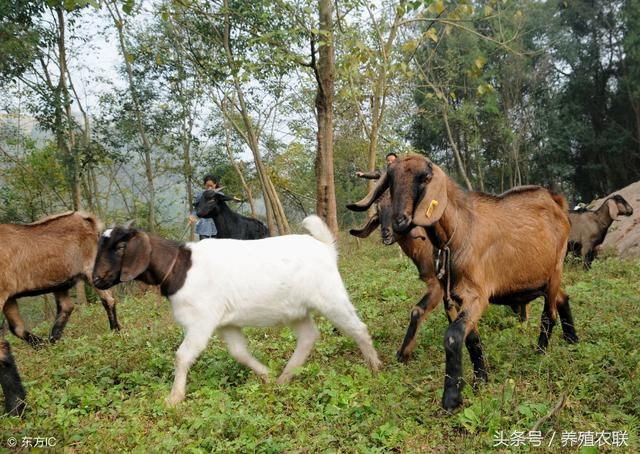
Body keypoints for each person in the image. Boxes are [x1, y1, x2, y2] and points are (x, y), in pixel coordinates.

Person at [189, 174, 219, 240]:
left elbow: (224, 210)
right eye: (207, 186)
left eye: (211, 185)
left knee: (216, 248)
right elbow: (196, 208)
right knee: (204, 247)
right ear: (204, 185)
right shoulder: (200, 195)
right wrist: (192, 215)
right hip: (204, 226)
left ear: (215, 184)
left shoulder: (219, 195)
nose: (209, 188)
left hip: (217, 226)